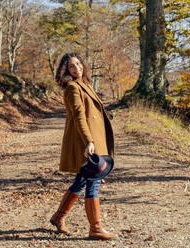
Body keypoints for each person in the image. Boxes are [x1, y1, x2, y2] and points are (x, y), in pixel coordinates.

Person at [50, 52, 116, 240]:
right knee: (93, 181)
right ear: (66, 71)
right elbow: (79, 117)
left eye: (78, 64)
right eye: (71, 66)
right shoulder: (72, 87)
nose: (76, 68)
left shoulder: (85, 84)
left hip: (93, 140)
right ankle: (96, 228)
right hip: (85, 142)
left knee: (82, 180)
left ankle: (58, 217)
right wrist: (89, 141)